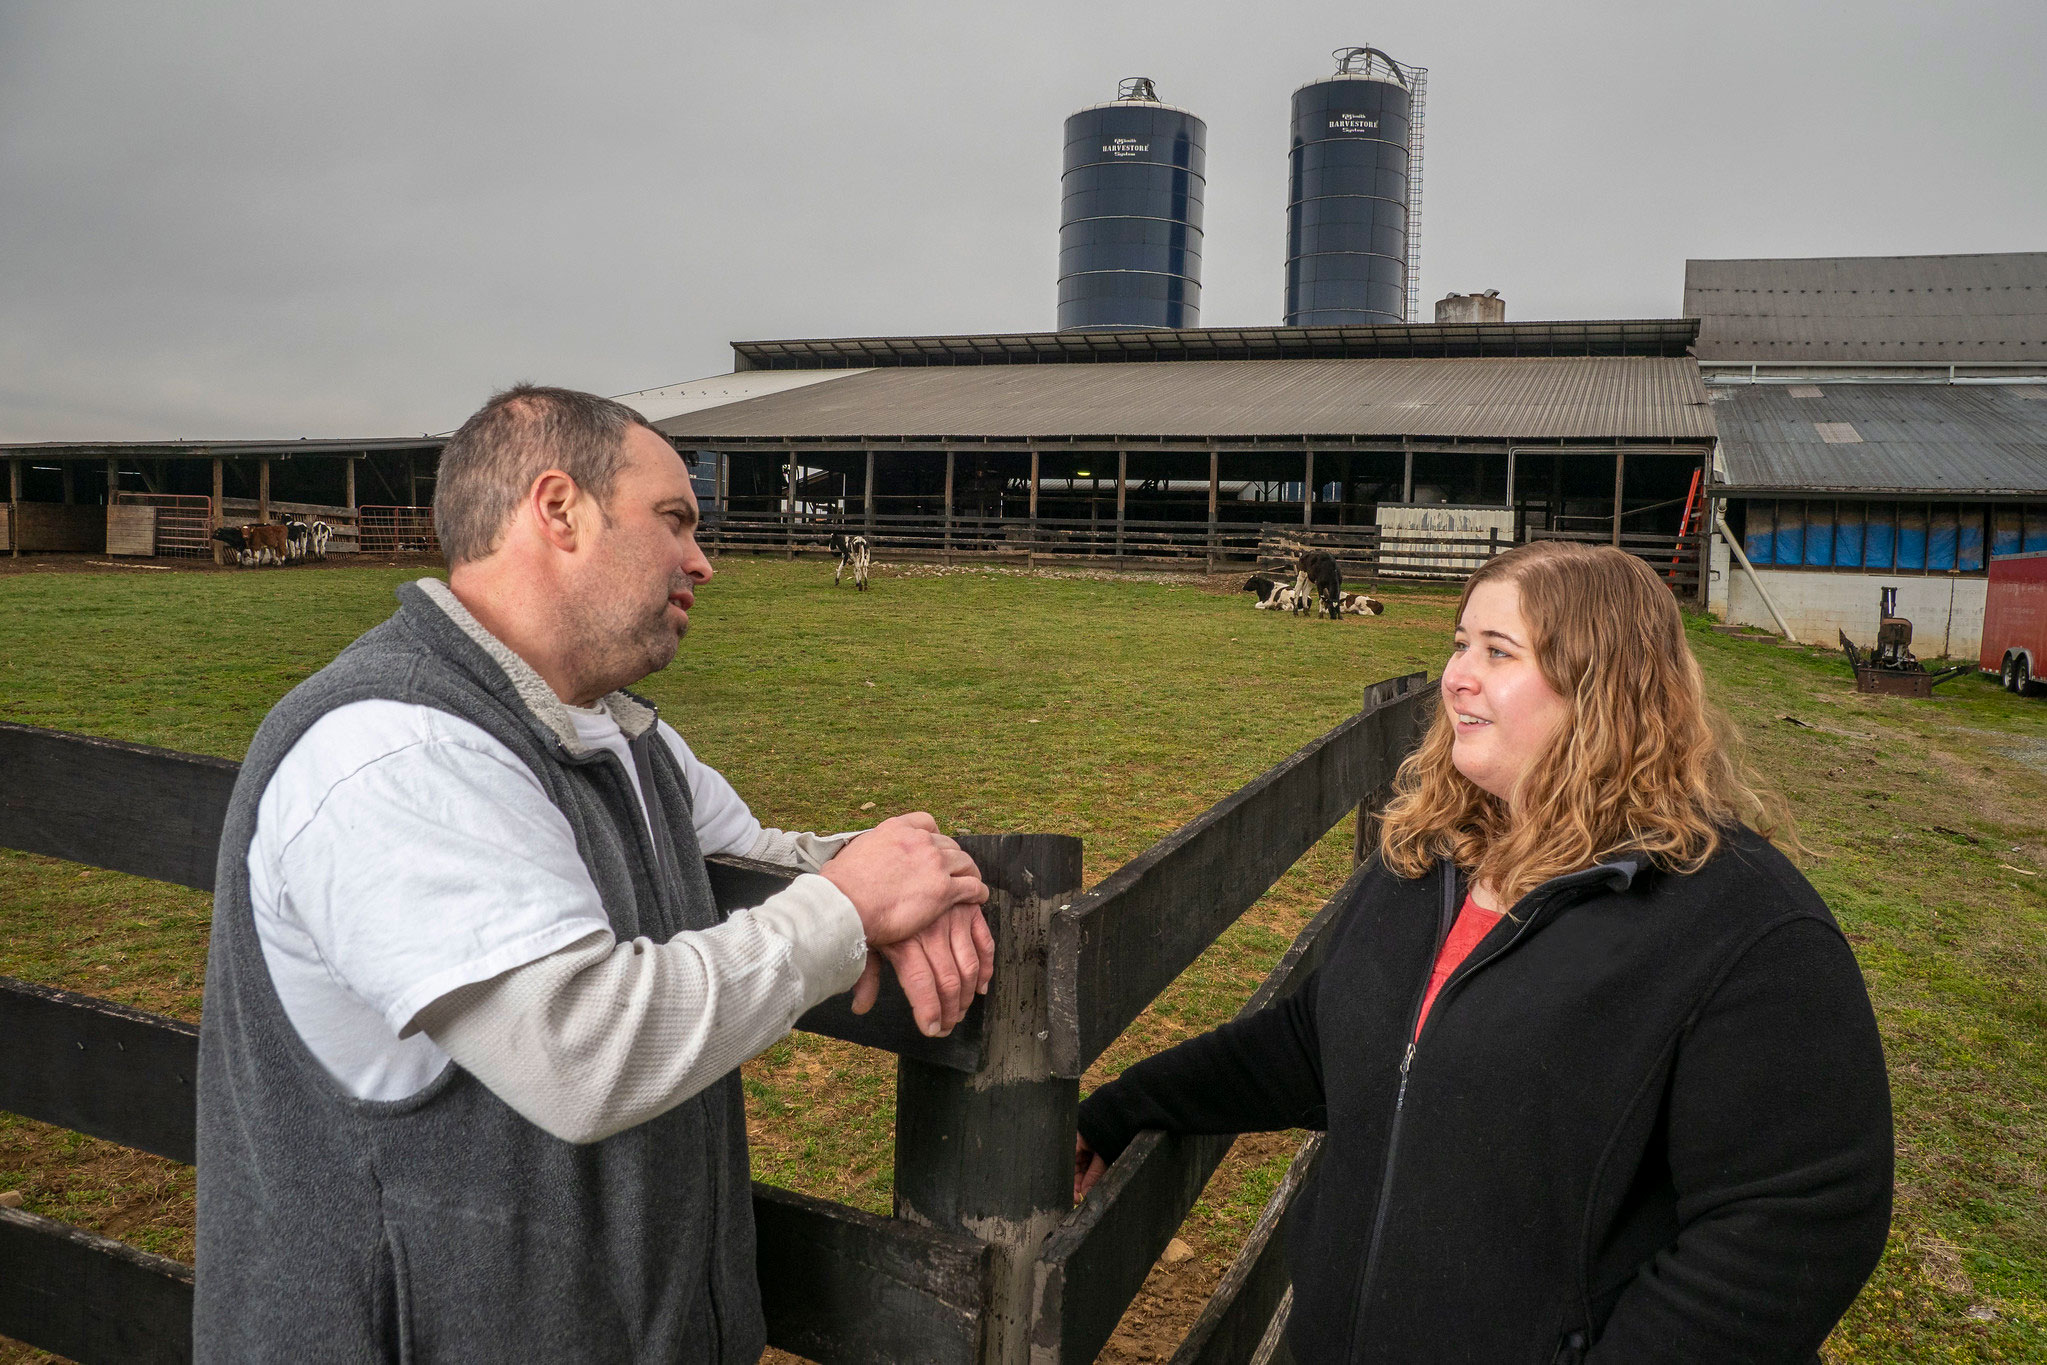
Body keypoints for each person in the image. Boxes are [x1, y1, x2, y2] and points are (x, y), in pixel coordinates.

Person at [194, 385, 992, 1363]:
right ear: (558, 509)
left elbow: (764, 868)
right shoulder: (397, 754)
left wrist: (919, 875)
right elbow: (581, 1054)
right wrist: (850, 907)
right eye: (675, 520)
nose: (703, 560)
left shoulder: (624, 738)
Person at [1073, 541, 1893, 1364]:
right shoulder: (1430, 863)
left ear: (1602, 687)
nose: (1455, 676)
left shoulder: (1740, 923)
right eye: (1459, 644)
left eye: (1497, 652)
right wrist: (1120, 1110)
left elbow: (1796, 1219)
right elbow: (1320, 1043)